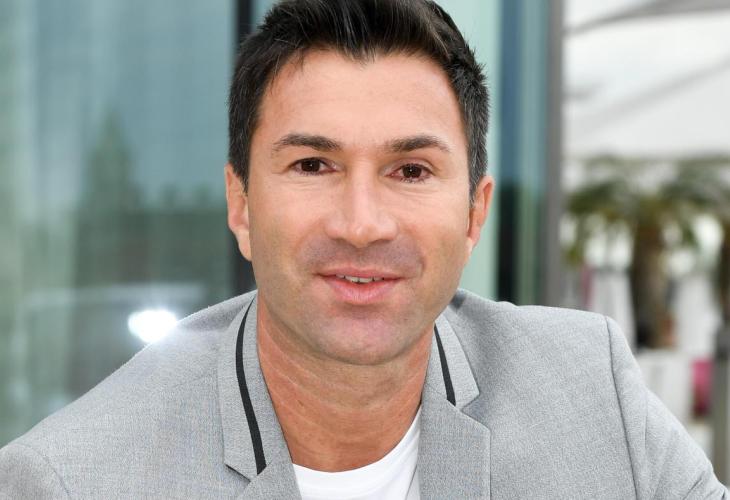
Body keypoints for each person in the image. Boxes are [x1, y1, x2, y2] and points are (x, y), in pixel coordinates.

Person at [0, 0, 726, 498]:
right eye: (313, 165)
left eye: (410, 171)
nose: (362, 224)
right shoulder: (70, 480)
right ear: (240, 205)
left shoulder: (590, 390)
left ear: (475, 214)